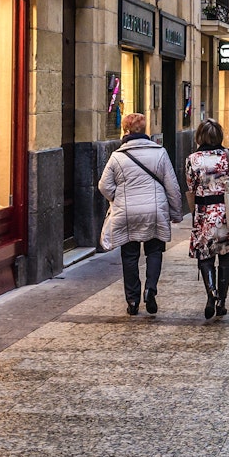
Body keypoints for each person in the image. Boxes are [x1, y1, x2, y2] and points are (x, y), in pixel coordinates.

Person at [98, 113, 184, 315]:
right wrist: (176, 212)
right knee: (154, 251)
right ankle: (150, 289)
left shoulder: (117, 157)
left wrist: (117, 198)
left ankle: (133, 301)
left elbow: (104, 186)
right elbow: (172, 186)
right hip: (154, 211)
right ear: (144, 131)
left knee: (130, 255)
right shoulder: (159, 153)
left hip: (128, 212)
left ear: (126, 131)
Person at [186, 118, 229, 319]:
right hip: (226, 212)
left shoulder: (193, 159)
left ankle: (211, 291)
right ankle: (221, 301)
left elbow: (191, 186)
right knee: (225, 255)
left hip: (205, 213)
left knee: (206, 255)